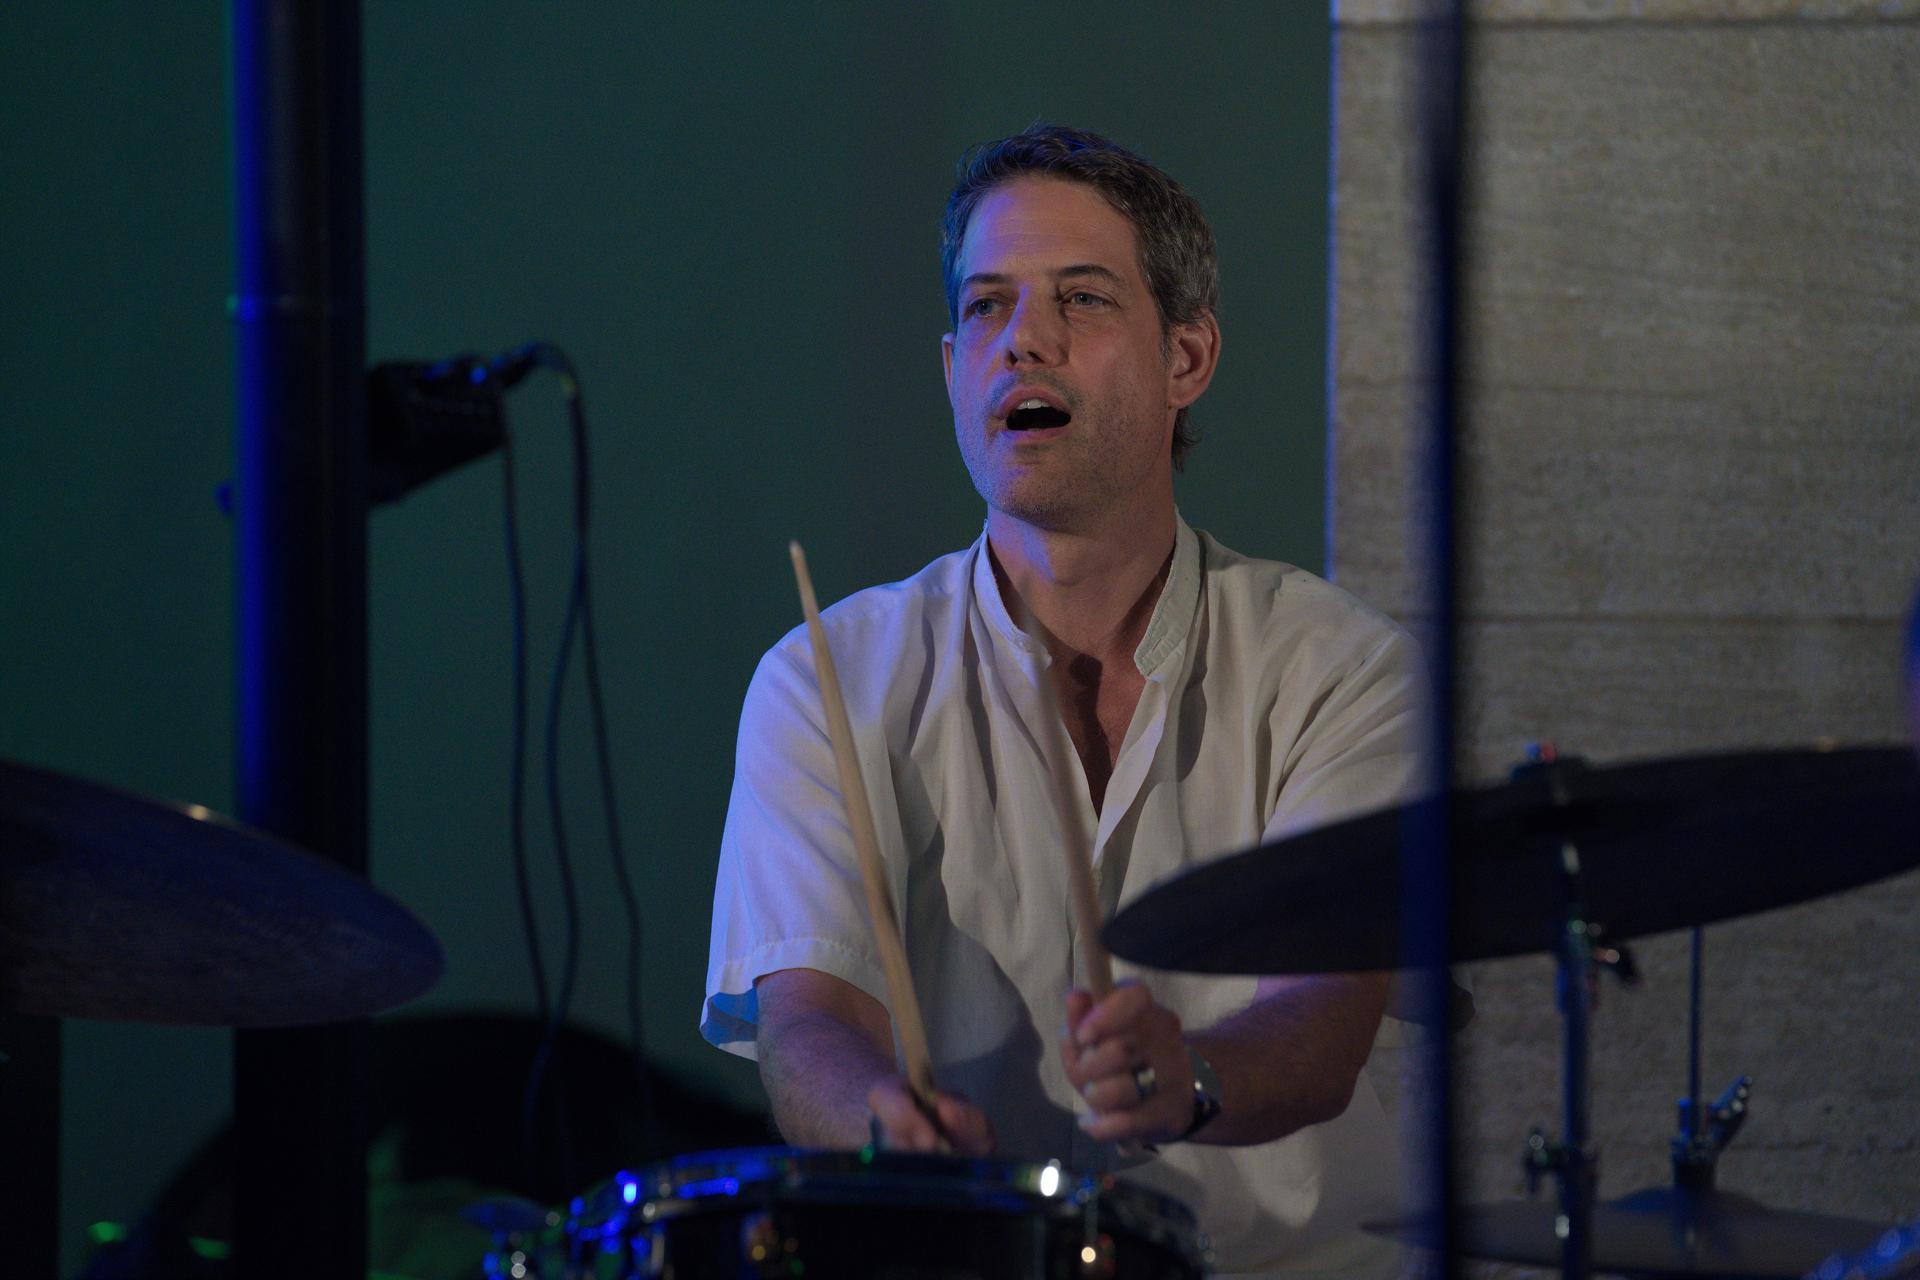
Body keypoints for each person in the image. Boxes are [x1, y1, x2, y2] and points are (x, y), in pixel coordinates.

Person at [703, 125, 1425, 1278]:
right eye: (987, 307)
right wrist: (879, 1125)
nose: (1024, 340)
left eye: (1081, 299)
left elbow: (1326, 1019)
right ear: (952, 367)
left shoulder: (1339, 666)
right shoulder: (824, 676)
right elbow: (807, 1021)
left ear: (1188, 356)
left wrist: (1190, 1074)